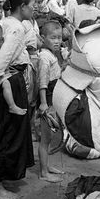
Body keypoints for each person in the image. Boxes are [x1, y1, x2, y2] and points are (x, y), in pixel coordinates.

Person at [0, 0, 35, 199]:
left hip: (8, 81)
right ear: (22, 6)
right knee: (6, 133)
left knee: (0, 131)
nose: (36, 8)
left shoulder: (5, 23)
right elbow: (0, 64)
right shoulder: (16, 28)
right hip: (9, 83)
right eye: (34, 4)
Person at [38, 20, 64, 183]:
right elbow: (43, 82)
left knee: (49, 138)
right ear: (43, 38)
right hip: (47, 100)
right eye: (53, 38)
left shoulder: (52, 55)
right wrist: (43, 103)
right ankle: (43, 172)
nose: (57, 41)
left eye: (59, 37)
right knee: (45, 137)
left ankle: (46, 166)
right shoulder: (44, 57)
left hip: (53, 99)